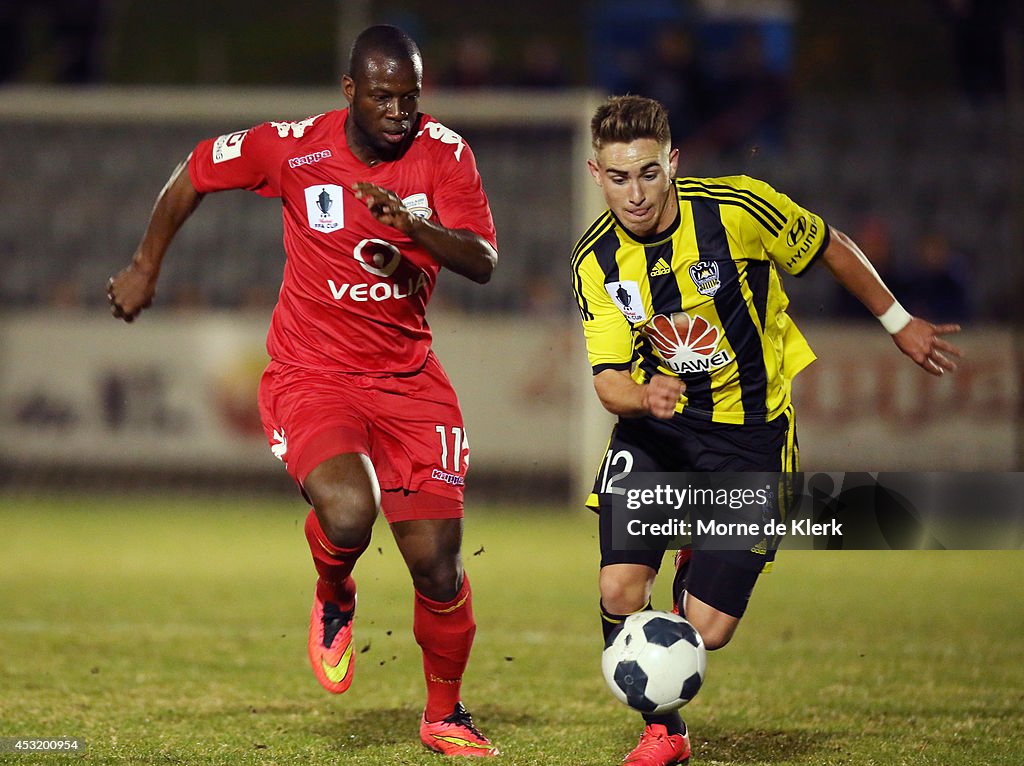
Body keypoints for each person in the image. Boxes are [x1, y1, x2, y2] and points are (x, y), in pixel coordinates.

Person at [107, 25, 499, 758]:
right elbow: (193, 170)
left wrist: (411, 223)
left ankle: (443, 715)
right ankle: (335, 593)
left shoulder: (444, 154)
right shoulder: (294, 146)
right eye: (383, 97)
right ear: (350, 91)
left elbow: (482, 260)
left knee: (438, 566)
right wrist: (144, 265)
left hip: (411, 381)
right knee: (350, 513)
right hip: (311, 373)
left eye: (409, 98)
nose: (398, 113)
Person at [570, 95, 961, 766]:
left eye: (647, 173)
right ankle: (664, 729)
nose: (633, 193)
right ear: (594, 173)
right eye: (617, 177)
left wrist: (899, 323)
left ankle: (695, 561)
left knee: (708, 630)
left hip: (750, 437)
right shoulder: (595, 261)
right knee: (618, 589)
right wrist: (642, 394)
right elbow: (607, 379)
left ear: (674, 163)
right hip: (656, 431)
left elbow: (831, 246)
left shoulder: (737, 210)